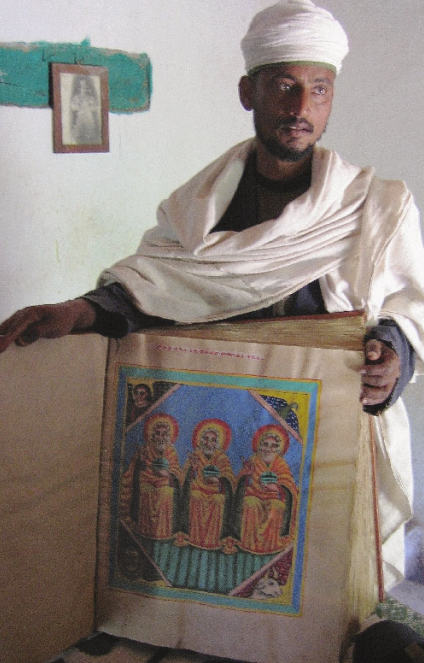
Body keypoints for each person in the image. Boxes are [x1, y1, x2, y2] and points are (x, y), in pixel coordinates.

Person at [0, 0, 423, 588]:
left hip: (328, 440)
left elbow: (408, 311)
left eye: (319, 91)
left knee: (324, 593)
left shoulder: (376, 207)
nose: (302, 109)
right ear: (249, 93)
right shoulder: (194, 209)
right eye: (284, 87)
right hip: (220, 431)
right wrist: (76, 312)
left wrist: (394, 355)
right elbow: (153, 289)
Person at [233, 425, 298, 554]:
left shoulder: (281, 464)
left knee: (277, 506)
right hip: (254, 494)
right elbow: (239, 484)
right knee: (251, 504)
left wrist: (278, 488)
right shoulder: (253, 460)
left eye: (273, 446)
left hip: (273, 497)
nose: (268, 449)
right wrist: (247, 474)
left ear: (278, 449)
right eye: (265, 444)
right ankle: (249, 544)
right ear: (259, 446)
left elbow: (290, 487)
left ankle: (270, 545)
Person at [120, 413, 181, 540]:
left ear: (169, 436)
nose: (161, 437)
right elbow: (134, 474)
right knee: (146, 489)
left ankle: (164, 532)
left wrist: (168, 475)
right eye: (158, 433)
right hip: (146, 484)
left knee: (165, 491)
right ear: (153, 435)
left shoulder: (171, 452)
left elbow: (176, 473)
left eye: (164, 434)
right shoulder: (146, 449)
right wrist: (140, 462)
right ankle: (143, 529)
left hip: (164, 485)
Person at [179, 419, 235, 549]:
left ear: (217, 443)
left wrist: (218, 481)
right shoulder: (195, 456)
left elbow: (229, 479)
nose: (209, 443)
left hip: (216, 492)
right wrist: (192, 468)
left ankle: (214, 540)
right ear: (200, 440)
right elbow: (184, 480)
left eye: (213, 440)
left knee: (218, 499)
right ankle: (193, 538)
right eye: (206, 439)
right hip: (198, 490)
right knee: (196, 495)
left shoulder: (222, 458)